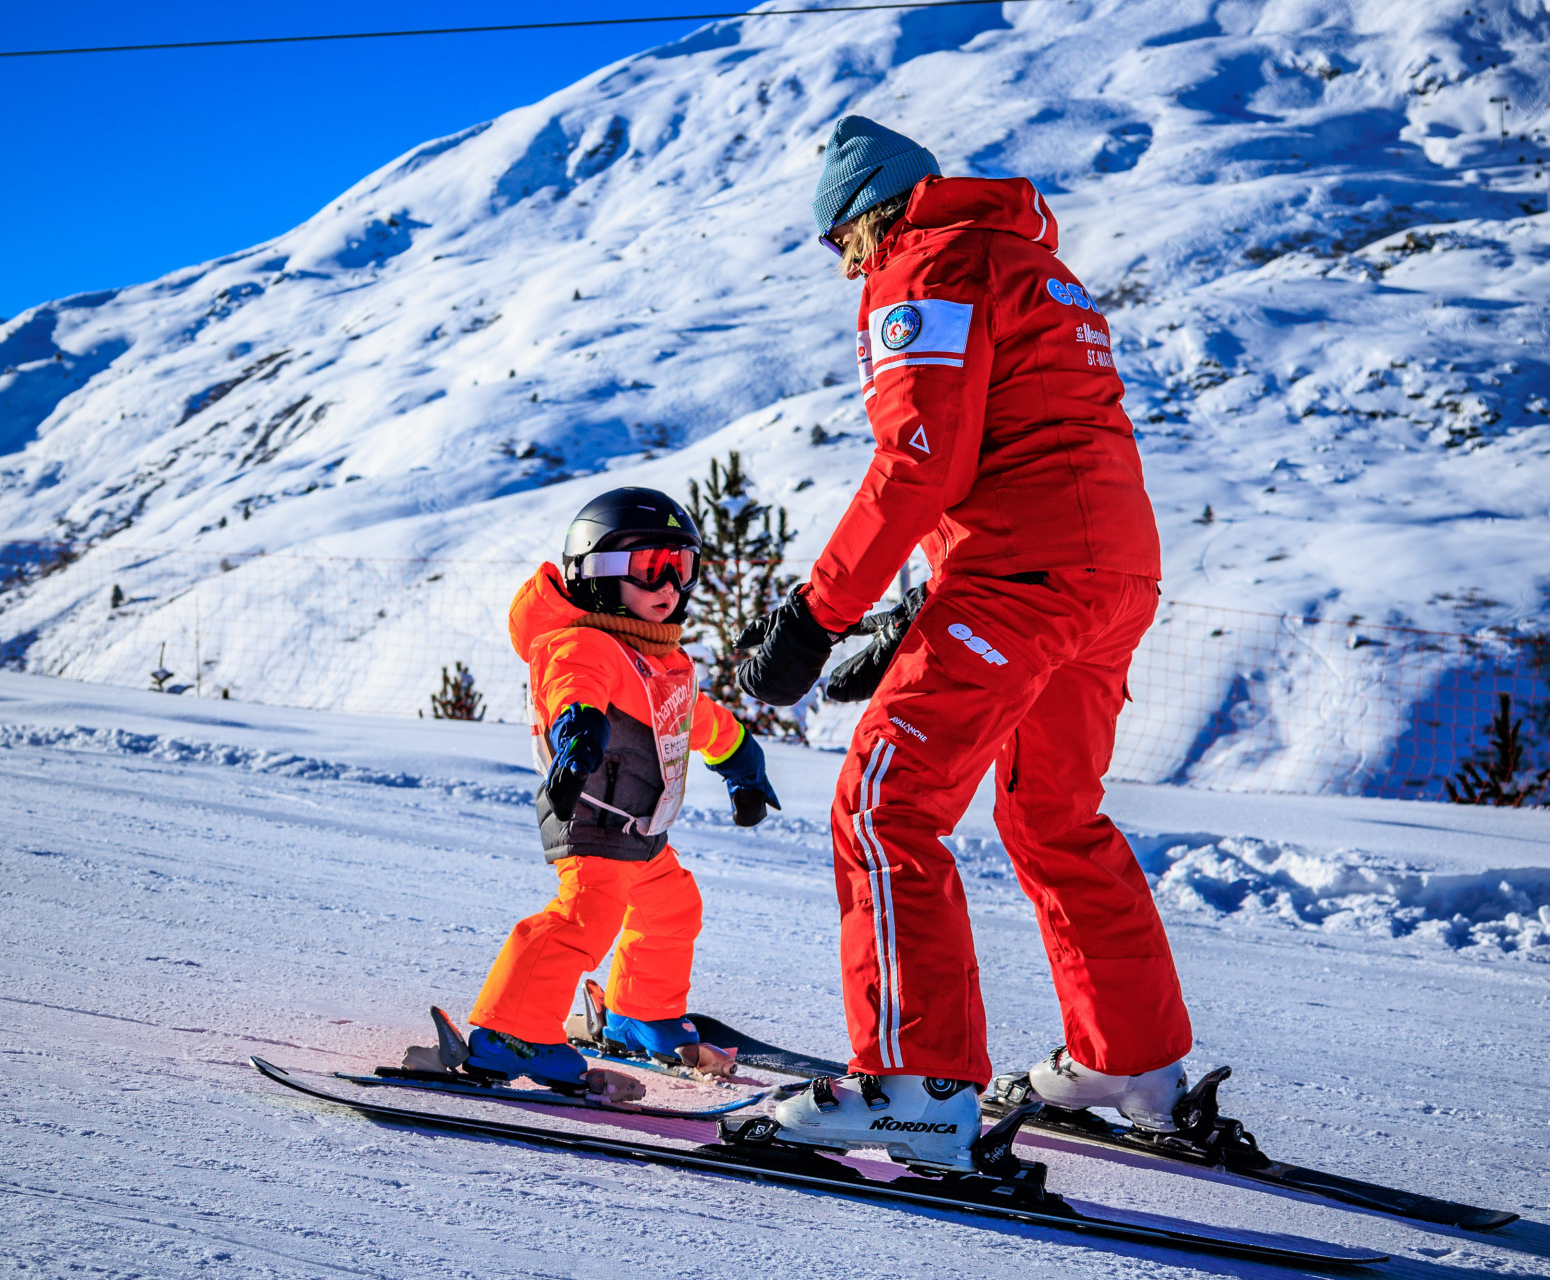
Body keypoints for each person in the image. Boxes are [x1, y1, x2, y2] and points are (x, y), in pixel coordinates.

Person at [736, 116, 1194, 1170]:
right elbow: (1031, 441)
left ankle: (912, 1087)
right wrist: (915, 608)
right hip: (1111, 574)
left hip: (1018, 579)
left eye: (839, 239)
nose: (843, 262)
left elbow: (919, 462)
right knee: (1052, 813)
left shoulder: (927, 265)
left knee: (883, 802)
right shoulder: (1034, 260)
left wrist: (818, 614)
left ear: (873, 213)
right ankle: (1129, 1058)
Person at [433, 487, 781, 1092]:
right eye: (651, 568)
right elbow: (572, 686)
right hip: (592, 814)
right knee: (583, 919)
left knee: (673, 909)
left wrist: (740, 760)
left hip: (641, 832)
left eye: (683, 567)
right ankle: (510, 1032)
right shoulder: (585, 642)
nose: (670, 585)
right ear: (596, 573)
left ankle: (638, 1015)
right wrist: (578, 732)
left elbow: (691, 715)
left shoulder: (656, 656)